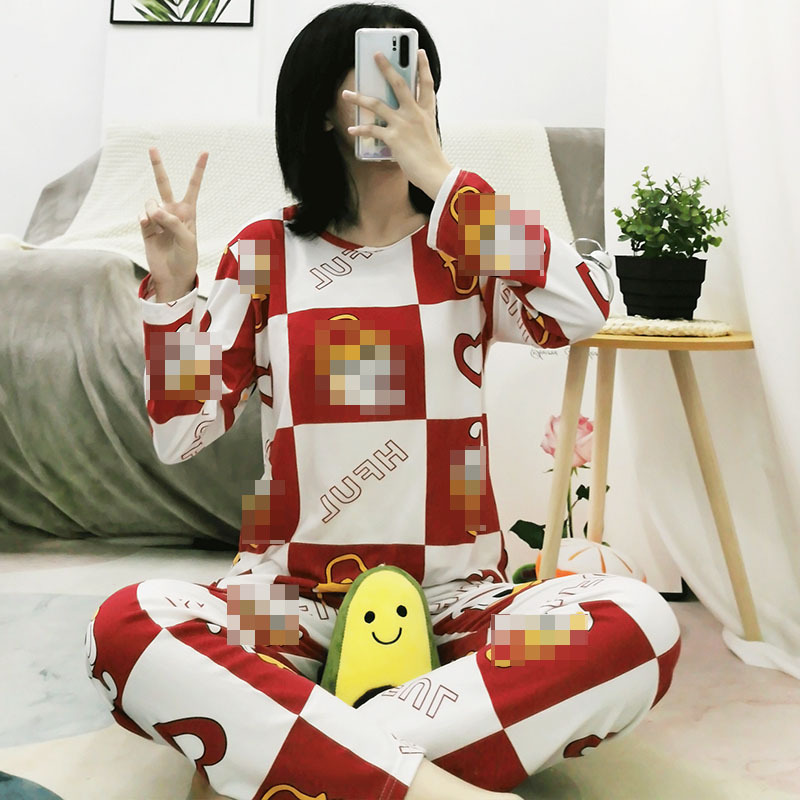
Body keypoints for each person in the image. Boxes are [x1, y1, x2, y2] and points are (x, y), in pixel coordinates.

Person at [84, 4, 681, 800]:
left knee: (642, 623)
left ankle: (309, 744)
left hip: (455, 610)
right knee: (124, 627)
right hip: (290, 609)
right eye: (372, 76)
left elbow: (582, 307)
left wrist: (443, 178)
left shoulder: (467, 241)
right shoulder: (264, 251)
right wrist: (173, 291)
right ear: (320, 110)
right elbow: (180, 433)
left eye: (415, 75)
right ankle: (426, 780)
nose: (398, 93)